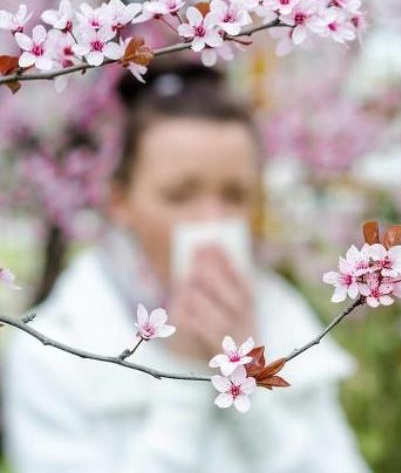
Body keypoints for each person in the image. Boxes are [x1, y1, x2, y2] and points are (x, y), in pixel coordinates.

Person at [1, 62, 371, 473]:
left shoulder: (283, 317)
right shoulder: (58, 350)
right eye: (180, 195)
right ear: (120, 202)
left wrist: (249, 386)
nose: (211, 221)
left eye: (234, 195)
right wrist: (184, 374)